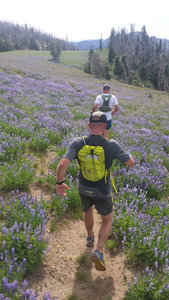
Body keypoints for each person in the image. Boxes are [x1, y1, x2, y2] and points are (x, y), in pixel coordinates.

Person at [56, 112, 134, 271]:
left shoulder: (78, 142)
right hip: (102, 191)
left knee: (87, 211)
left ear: (89, 125)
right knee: (107, 220)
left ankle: (90, 238)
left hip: (84, 188)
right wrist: (127, 154)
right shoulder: (111, 144)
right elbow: (130, 163)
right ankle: (98, 251)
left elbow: (63, 164)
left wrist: (59, 184)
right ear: (105, 126)